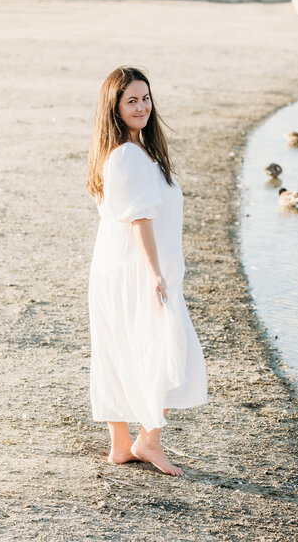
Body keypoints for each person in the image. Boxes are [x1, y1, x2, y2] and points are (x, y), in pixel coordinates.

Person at [87, 66, 208, 476]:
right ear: (115, 108)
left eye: (145, 98)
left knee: (124, 347)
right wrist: (156, 273)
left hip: (118, 266)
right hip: (136, 270)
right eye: (131, 101)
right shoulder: (128, 156)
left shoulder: (133, 152)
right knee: (171, 351)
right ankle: (147, 440)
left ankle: (122, 444)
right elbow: (140, 219)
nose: (141, 107)